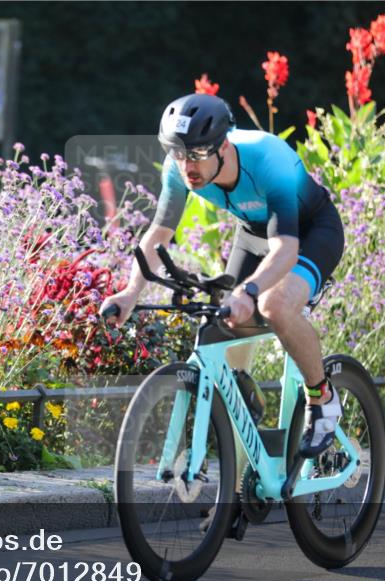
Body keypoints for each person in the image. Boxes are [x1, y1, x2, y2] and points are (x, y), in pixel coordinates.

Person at [100, 93, 345, 459]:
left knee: (274, 305)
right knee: (223, 327)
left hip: (309, 232)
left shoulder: (266, 157)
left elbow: (285, 249)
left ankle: (322, 399)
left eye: (197, 155)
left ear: (223, 146)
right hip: (253, 233)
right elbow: (157, 235)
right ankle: (239, 487)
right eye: (179, 154)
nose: (188, 167)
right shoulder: (178, 167)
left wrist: (248, 291)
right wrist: (130, 292)